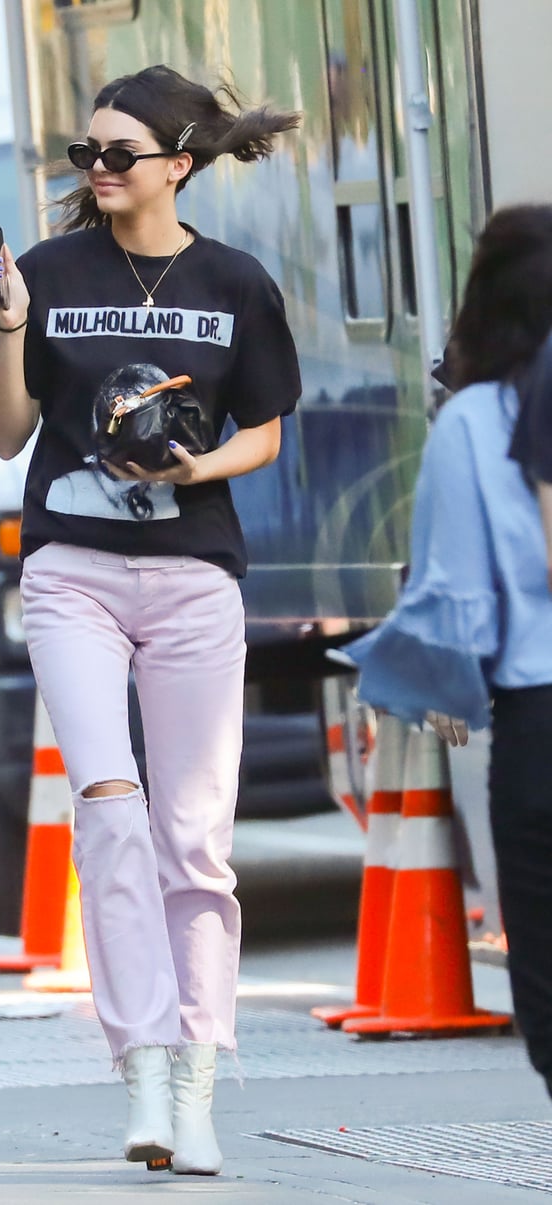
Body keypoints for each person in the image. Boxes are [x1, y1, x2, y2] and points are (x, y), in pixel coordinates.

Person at [0, 64, 301, 1175]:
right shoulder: (49, 271)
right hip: (73, 566)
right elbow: (6, 434)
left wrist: (204, 460)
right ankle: (145, 1068)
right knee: (108, 806)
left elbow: (264, 428)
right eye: (86, 155)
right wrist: (12, 327)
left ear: (180, 164)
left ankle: (200, 1076)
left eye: (120, 154)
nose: (99, 172)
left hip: (197, 571)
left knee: (194, 840)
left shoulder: (236, 280)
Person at [343, 204, 552, 1102]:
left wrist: (429, 686)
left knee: (543, 964)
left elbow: (453, 594)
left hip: (538, 721)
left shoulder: (474, 421)